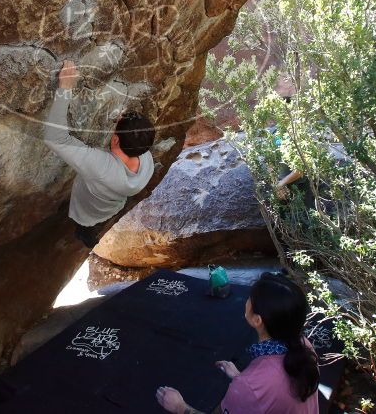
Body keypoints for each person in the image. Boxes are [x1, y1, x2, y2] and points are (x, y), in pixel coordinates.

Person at [155, 272, 320, 414]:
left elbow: (265, 387)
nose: (247, 300)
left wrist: (180, 407)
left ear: (257, 320)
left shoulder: (249, 386)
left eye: (250, 298)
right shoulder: (304, 346)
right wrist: (242, 379)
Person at [43, 59, 156, 248]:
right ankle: (89, 235)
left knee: (84, 226)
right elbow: (135, 133)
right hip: (111, 206)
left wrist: (65, 88)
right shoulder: (146, 159)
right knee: (97, 223)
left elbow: (55, 137)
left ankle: (84, 234)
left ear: (115, 140)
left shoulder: (101, 167)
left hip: (87, 209)